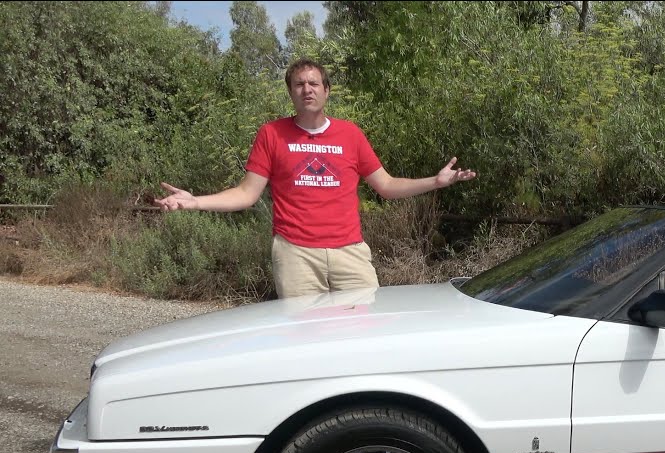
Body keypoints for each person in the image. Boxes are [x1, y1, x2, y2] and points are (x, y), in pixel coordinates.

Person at [155, 58, 477, 299]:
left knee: (363, 333)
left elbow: (387, 185)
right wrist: (195, 201)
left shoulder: (350, 134)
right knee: (305, 342)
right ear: (291, 92)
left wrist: (434, 182)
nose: (306, 89)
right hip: (296, 255)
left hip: (349, 252)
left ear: (326, 90)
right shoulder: (272, 134)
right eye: (299, 84)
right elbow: (246, 194)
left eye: (313, 83)